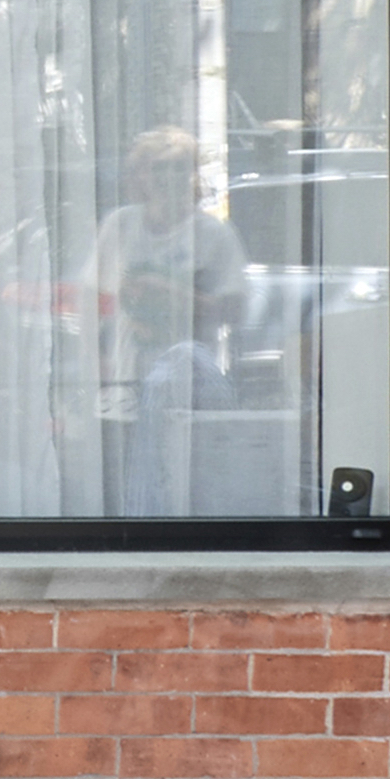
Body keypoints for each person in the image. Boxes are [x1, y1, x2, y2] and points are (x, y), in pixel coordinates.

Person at [88, 127, 247, 516]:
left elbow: (236, 311)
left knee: (183, 491)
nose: (169, 178)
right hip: (126, 381)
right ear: (139, 175)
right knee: (127, 490)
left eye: (179, 168)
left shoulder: (213, 235)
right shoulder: (120, 226)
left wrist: (171, 292)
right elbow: (93, 300)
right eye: (158, 168)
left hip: (186, 388)